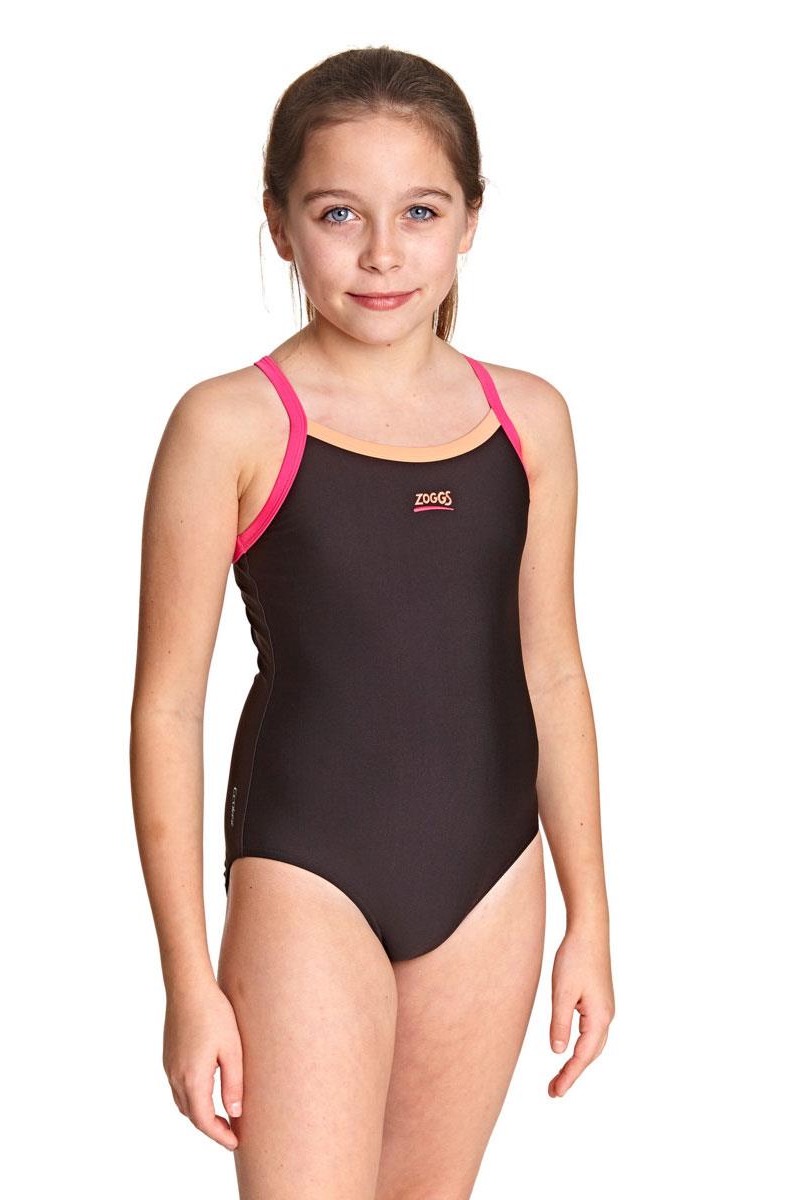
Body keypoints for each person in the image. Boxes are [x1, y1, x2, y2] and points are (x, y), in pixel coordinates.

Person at [130, 44, 614, 1200]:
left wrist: (589, 916)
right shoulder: (230, 424)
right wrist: (187, 980)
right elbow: (167, 708)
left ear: (470, 220)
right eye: (338, 212)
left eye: (420, 212)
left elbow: (550, 670)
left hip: (492, 877)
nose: (383, 252)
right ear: (279, 224)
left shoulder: (529, 420)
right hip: (308, 873)